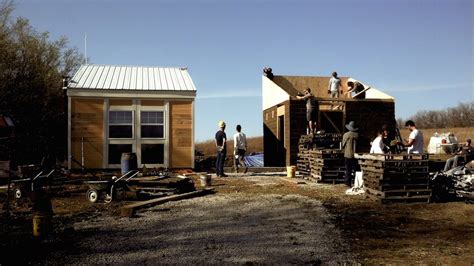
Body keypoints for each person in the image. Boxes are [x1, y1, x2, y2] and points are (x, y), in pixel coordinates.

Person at [342, 121, 359, 187]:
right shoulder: (357, 135)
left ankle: (348, 182)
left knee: (348, 169)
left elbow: (343, 145)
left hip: (348, 154)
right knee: (356, 169)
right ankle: (356, 182)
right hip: (355, 155)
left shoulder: (346, 135)